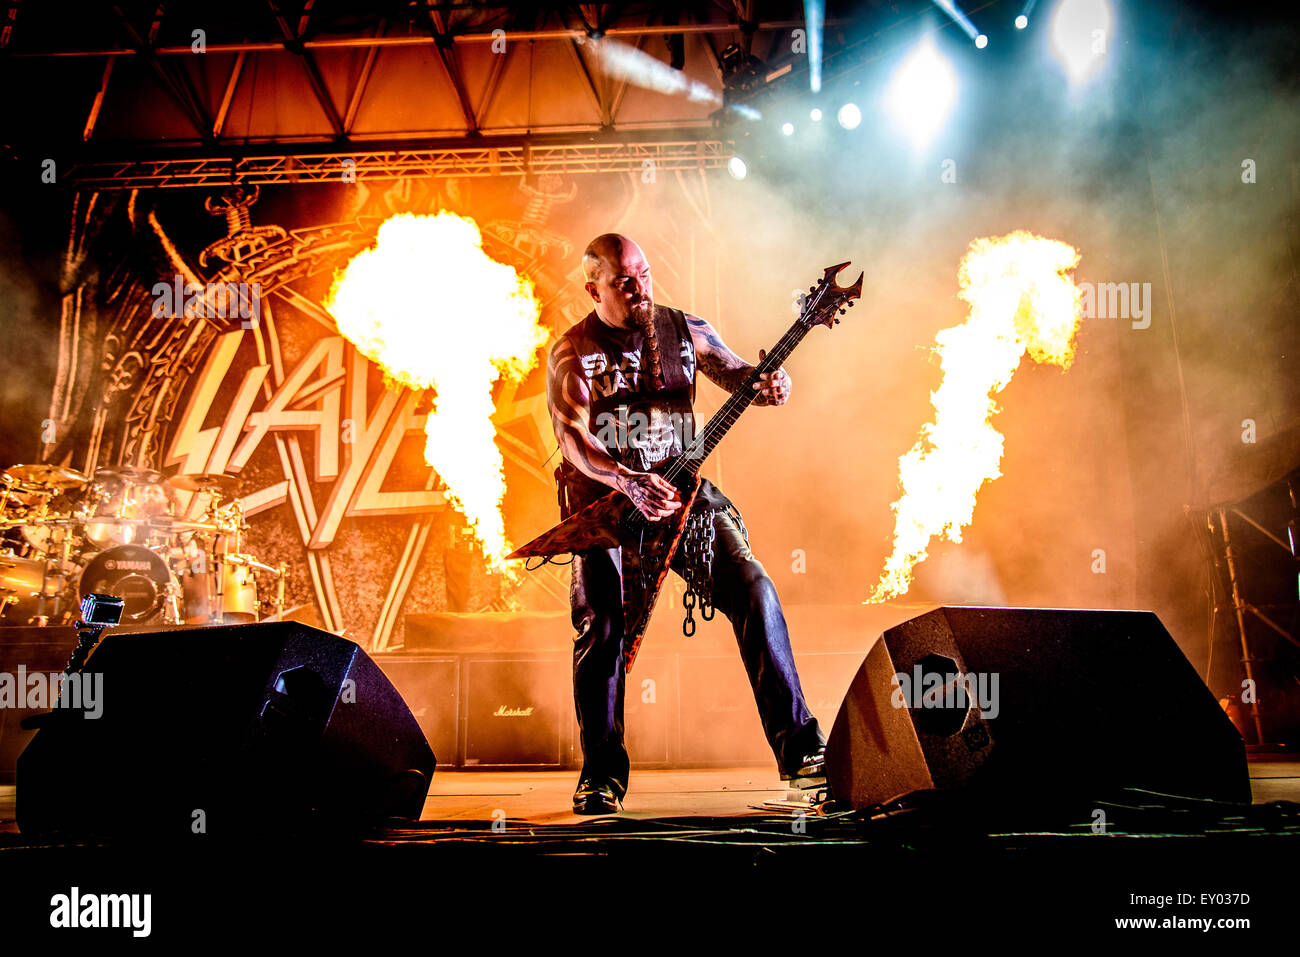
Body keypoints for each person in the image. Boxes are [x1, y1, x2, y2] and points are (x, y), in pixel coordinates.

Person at [547, 233, 826, 815]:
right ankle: (600, 775)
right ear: (592, 287)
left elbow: (736, 374)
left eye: (644, 273)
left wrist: (770, 384)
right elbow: (570, 436)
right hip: (608, 508)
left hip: (684, 496)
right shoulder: (571, 351)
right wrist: (625, 479)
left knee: (755, 588)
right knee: (602, 628)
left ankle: (802, 752)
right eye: (623, 280)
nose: (639, 286)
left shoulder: (685, 328)